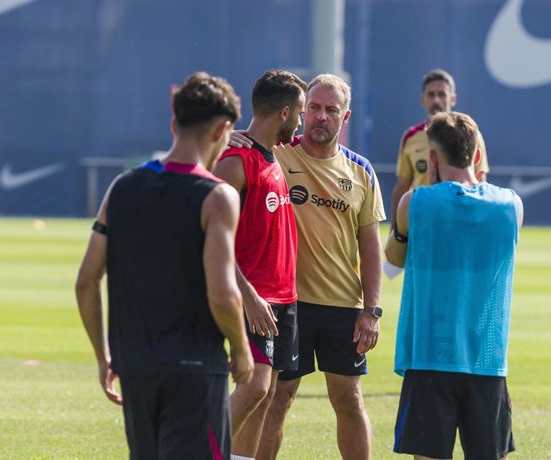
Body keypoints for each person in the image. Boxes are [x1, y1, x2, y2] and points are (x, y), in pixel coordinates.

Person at [75, 72, 254, 459]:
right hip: (194, 369)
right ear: (223, 129)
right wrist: (241, 349)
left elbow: (86, 281)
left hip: (135, 367)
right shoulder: (217, 197)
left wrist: (103, 356)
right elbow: (223, 292)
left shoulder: (121, 188)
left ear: (174, 122)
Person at [231, 73, 386, 459]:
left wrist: (372, 311)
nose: (318, 116)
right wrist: (226, 136)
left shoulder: (361, 171)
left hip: (342, 305)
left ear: (345, 118)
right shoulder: (277, 152)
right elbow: (246, 145)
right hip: (285, 303)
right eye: (312, 107)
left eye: (330, 110)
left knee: (349, 399)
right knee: (273, 397)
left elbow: (370, 247)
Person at [386, 112, 523, 459]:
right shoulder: (511, 205)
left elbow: (394, 260)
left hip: (431, 353)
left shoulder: (414, 203)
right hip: (487, 357)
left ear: (432, 158)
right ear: (477, 155)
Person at [211, 69, 306, 460]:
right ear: (285, 112)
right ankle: (196, 447)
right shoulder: (235, 162)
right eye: (300, 112)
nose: (302, 122)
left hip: (285, 299)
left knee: (264, 402)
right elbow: (210, 239)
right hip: (255, 299)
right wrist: (249, 297)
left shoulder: (272, 155)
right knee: (255, 387)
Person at [389, 68, 490, 228]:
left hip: (459, 221)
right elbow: (402, 185)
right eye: (431, 94)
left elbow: (480, 180)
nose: (436, 100)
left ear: (453, 99)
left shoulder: (471, 134)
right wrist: (395, 231)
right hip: (422, 221)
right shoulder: (411, 137)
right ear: (422, 99)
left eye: (442, 94)